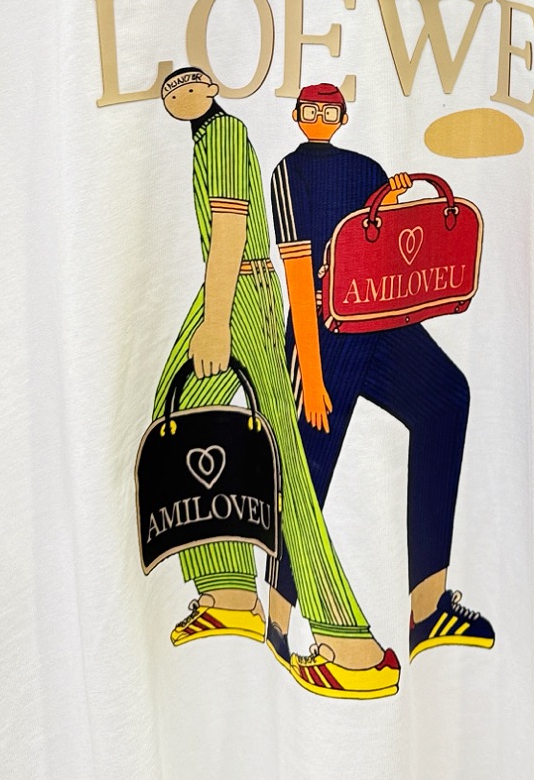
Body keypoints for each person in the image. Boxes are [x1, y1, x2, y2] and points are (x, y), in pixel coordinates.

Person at [150, 66, 401, 700]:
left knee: (277, 453)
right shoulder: (209, 136)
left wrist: (216, 323)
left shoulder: (224, 135)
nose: (178, 97)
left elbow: (231, 232)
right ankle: (231, 593)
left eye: (189, 87)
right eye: (171, 91)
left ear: (210, 90)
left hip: (237, 291)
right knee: (192, 418)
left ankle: (350, 643)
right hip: (236, 290)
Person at [268, 81, 494, 663]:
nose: (320, 117)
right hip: (323, 325)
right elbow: (298, 272)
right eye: (311, 109)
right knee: (307, 464)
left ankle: (429, 609)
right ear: (297, 115)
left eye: (329, 110)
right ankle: (276, 622)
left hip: (375, 313)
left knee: (445, 398)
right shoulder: (288, 173)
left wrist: (388, 201)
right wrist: (309, 370)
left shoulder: (366, 167)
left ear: (342, 117)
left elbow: (384, 249)